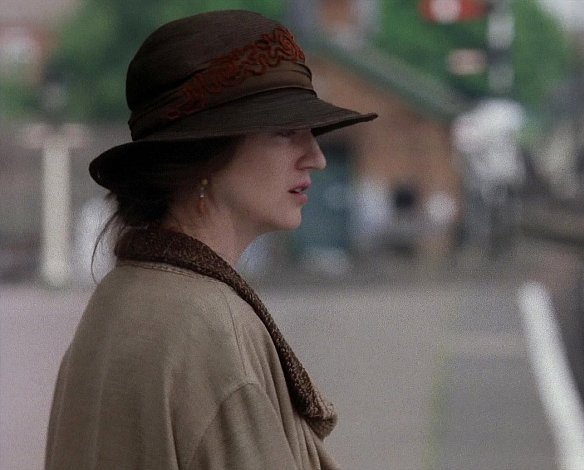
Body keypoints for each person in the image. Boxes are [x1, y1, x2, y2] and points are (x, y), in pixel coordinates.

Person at [44, 10, 376, 470]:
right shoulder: (212, 328)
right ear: (205, 153)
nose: (315, 157)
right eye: (285, 131)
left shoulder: (117, 299)